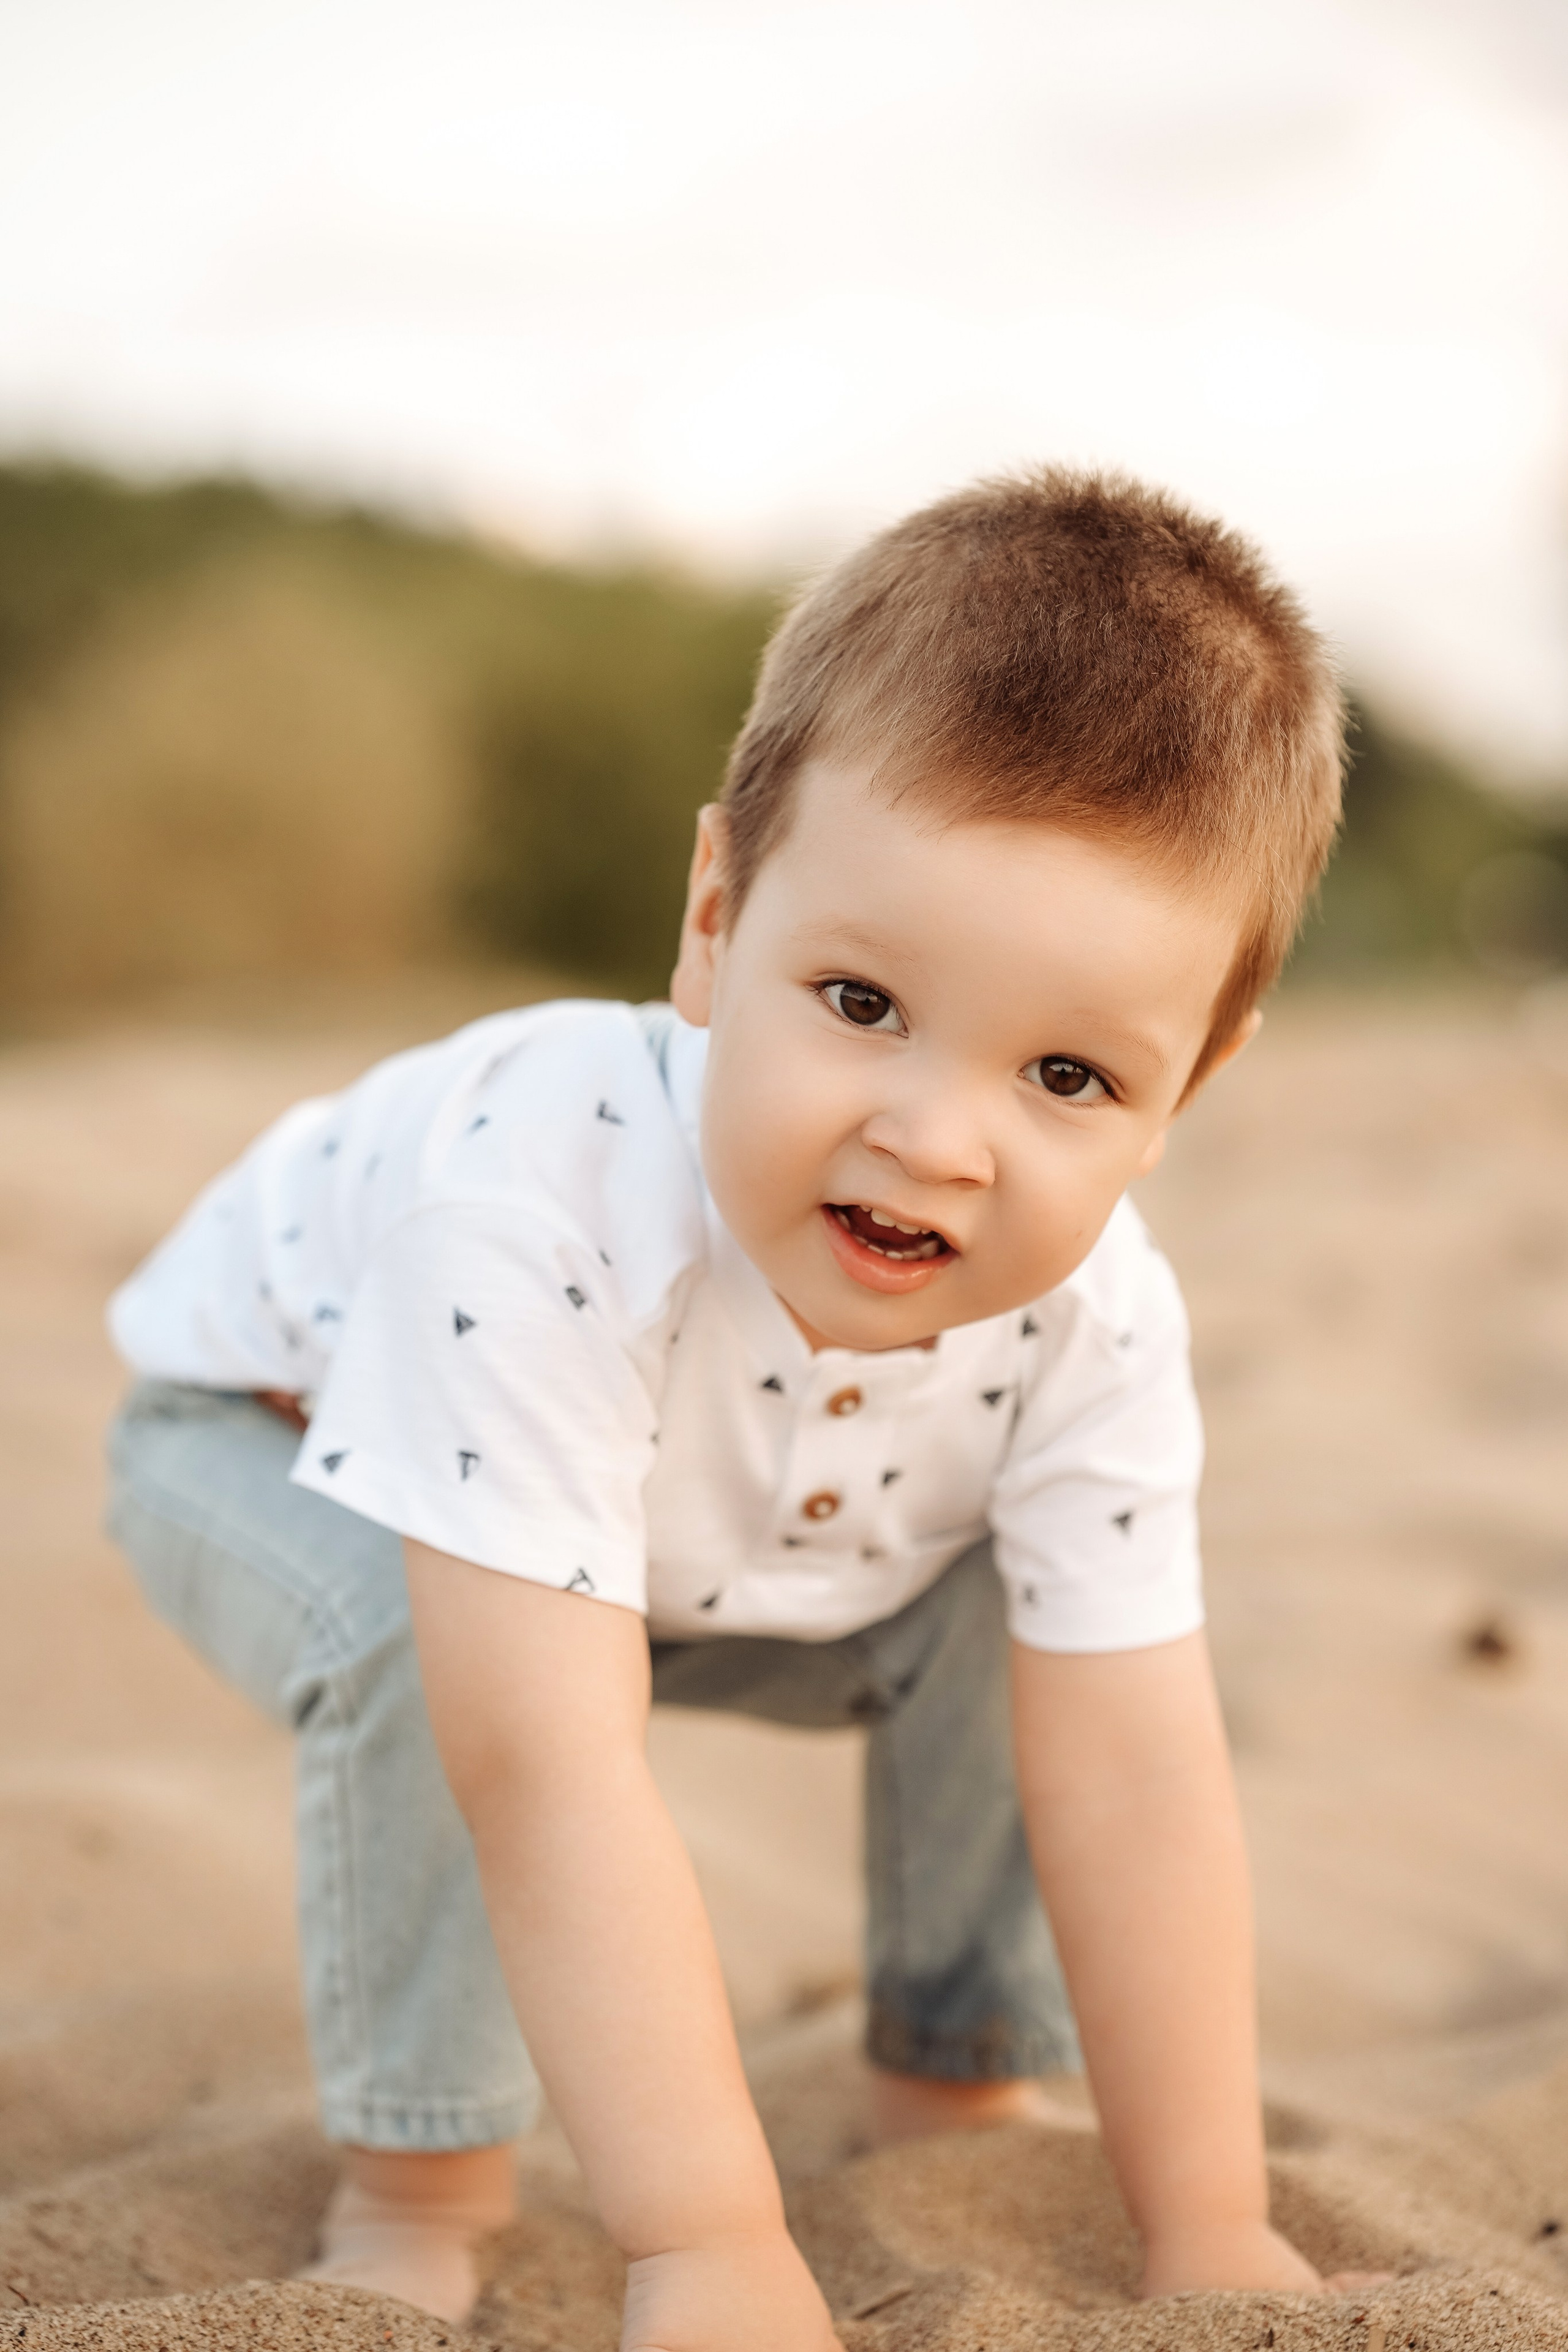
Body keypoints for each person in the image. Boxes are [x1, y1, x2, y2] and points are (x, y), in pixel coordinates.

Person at [105, 469, 1361, 2348]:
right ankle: (420, 2171)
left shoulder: (1098, 1320)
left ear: (1195, 1077)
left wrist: (1211, 2222)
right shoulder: (531, 1207)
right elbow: (542, 1762)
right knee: (407, 1627)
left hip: (693, 1539)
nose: (936, 1137)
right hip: (274, 1438)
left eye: (1071, 1074)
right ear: (715, 918)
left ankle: (954, 2074)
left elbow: (1138, 1765)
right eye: (859, 998)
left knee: (1011, 1619)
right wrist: (707, 2244)